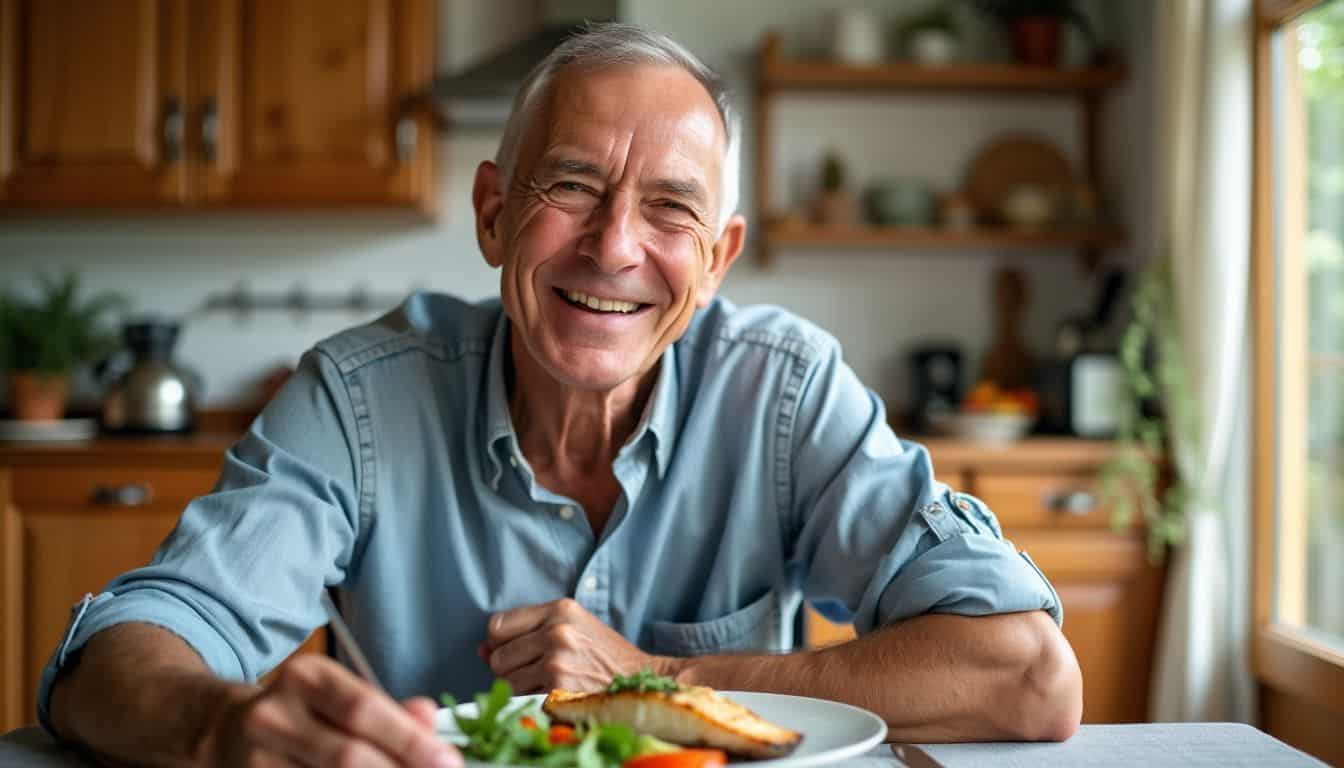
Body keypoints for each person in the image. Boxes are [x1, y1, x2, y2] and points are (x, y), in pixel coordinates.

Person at [41, 23, 1082, 768]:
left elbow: (1028, 676)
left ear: (716, 261)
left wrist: (654, 685)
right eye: (572, 186)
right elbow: (118, 657)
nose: (615, 247)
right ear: (495, 214)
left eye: (669, 210)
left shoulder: (785, 393)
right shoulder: (359, 403)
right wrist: (215, 730)